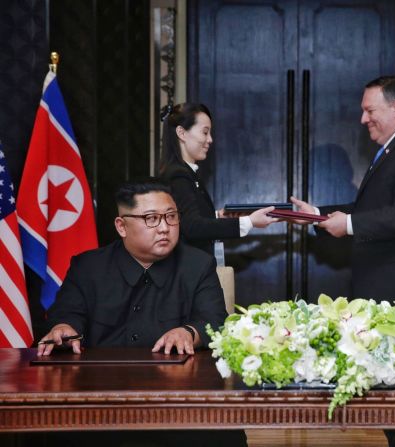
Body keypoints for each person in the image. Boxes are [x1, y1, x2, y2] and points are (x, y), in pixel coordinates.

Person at [291, 76, 395, 301]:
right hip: (385, 278)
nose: (363, 119)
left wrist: (347, 225)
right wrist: (317, 215)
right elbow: (373, 206)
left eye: (370, 111)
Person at [37, 178, 228, 356]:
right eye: (151, 218)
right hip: (99, 381)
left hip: (174, 381)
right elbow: (65, 314)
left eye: (171, 216)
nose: (164, 228)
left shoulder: (199, 265)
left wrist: (189, 332)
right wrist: (63, 328)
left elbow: (215, 321)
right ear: (121, 227)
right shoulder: (87, 267)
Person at [159, 102, 278, 256]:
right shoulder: (178, 175)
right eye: (205, 132)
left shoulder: (187, 172)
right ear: (182, 133)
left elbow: (187, 217)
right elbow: (192, 226)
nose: (210, 140)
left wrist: (217, 217)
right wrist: (249, 222)